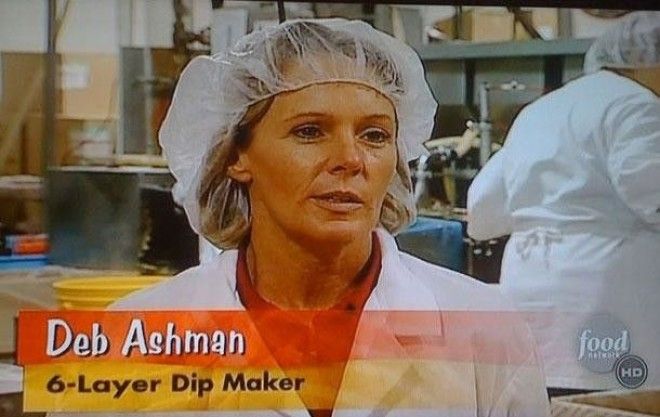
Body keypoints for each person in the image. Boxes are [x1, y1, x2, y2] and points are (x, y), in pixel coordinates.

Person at [54, 19, 549, 416]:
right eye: (310, 131)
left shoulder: (486, 328)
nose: (350, 159)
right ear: (236, 155)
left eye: (375, 135)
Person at [467, 12, 660, 395]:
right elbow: (652, 191)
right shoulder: (637, 107)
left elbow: (482, 209)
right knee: (607, 406)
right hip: (608, 298)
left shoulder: (540, 110)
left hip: (529, 291)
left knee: (540, 400)